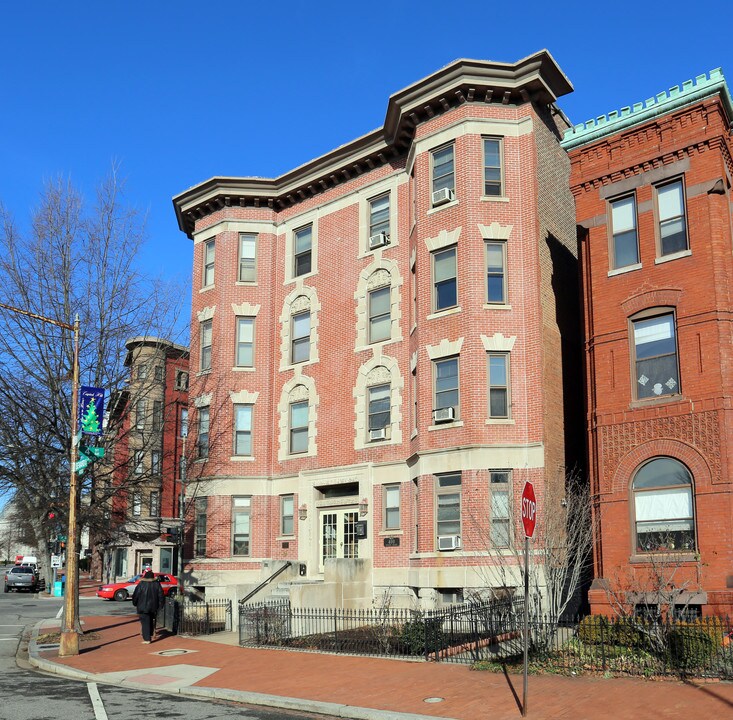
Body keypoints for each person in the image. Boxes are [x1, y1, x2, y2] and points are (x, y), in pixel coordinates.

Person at [131, 570, 165, 644]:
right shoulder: (157, 584)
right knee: (150, 620)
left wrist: (135, 603)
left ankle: (147, 639)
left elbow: (136, 595)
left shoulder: (141, 584)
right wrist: (161, 605)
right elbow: (161, 595)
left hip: (142, 606)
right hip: (153, 606)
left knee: (145, 622)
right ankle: (150, 634)